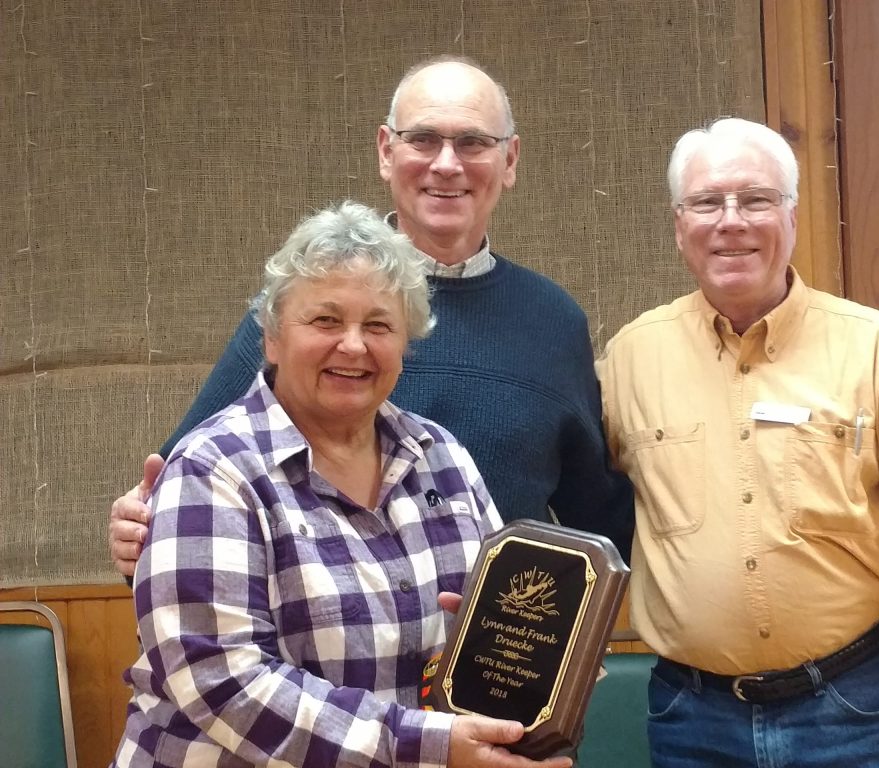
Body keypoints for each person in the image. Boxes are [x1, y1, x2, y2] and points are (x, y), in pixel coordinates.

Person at [109, 56, 633, 575]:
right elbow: (178, 489)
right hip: (318, 637)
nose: (447, 164)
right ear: (387, 151)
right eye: (422, 139)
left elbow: (599, 523)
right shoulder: (303, 305)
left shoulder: (555, 323)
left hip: (491, 649)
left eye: (473, 142)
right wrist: (136, 527)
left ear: (510, 160)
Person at [596, 117, 879, 768]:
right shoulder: (628, 360)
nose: (730, 220)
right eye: (706, 202)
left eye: (756, 199)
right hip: (692, 722)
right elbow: (588, 509)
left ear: (791, 216)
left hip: (858, 714)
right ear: (680, 226)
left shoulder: (878, 350)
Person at [111, 200, 574, 768]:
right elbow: (223, 682)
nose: (353, 345)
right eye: (326, 320)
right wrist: (430, 747)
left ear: (406, 343)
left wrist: (549, 671)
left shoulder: (443, 459)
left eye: (379, 324)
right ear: (273, 338)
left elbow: (496, 633)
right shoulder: (213, 469)